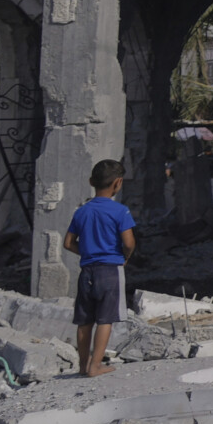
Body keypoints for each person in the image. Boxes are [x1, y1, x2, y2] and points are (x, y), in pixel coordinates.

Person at [64, 159, 135, 378]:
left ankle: (83, 366)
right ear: (118, 183)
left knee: (84, 320)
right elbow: (129, 242)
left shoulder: (81, 212)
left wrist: (87, 252)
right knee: (106, 319)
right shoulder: (120, 211)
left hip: (87, 272)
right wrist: (124, 258)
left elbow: (68, 243)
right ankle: (96, 365)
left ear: (91, 182)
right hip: (110, 270)